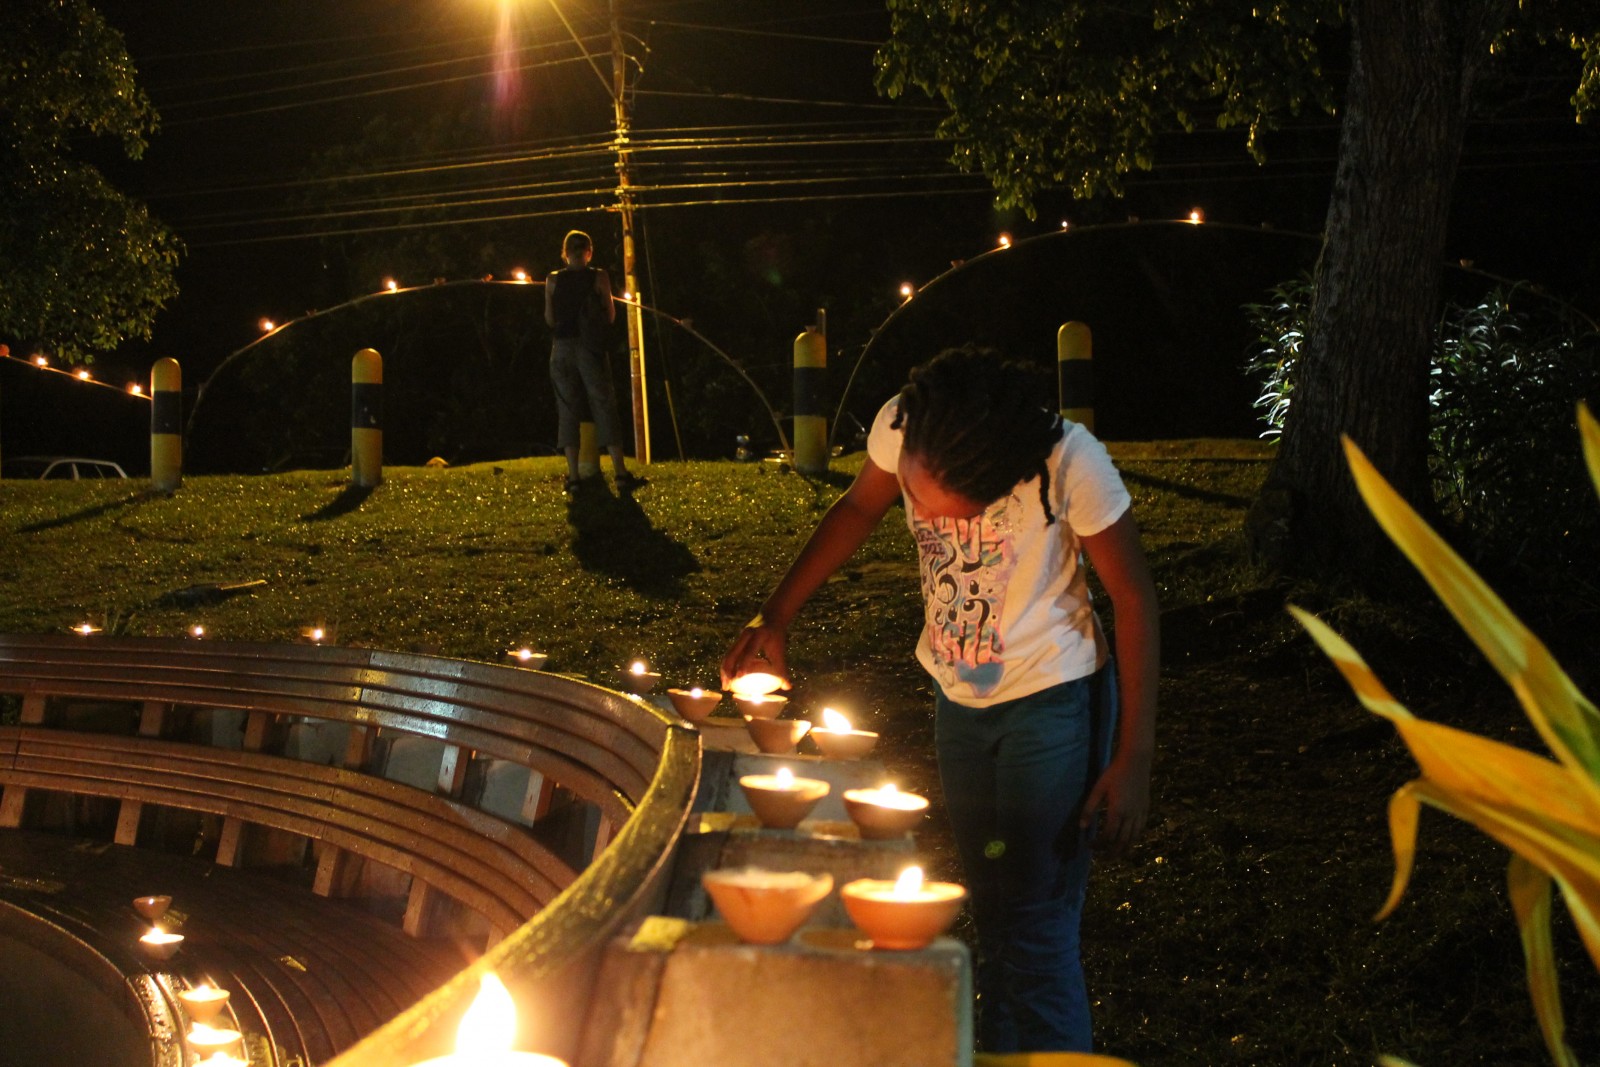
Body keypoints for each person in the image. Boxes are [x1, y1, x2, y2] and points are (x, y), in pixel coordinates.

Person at [722, 344, 1158, 1054]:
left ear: (996, 482)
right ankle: (1002, 1050)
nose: (916, 511)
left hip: (1052, 701)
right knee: (993, 912)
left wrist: (1133, 756)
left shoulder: (1069, 463)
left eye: (936, 507)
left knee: (1037, 926)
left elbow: (1134, 598)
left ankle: (1045, 1050)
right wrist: (776, 615)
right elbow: (859, 506)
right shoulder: (907, 423)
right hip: (959, 701)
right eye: (915, 496)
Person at [544, 229, 643, 492]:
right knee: (603, 405)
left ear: (564, 253)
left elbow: (550, 319)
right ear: (589, 251)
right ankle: (620, 474)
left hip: (561, 349)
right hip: (590, 348)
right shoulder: (599, 276)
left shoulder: (552, 280)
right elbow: (610, 315)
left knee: (567, 410)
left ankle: (574, 477)